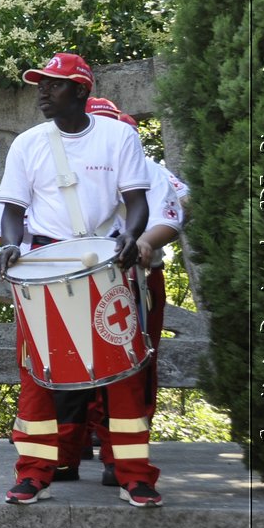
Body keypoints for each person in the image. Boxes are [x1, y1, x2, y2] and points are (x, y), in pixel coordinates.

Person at [0, 53, 155, 506]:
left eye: (54, 84)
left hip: (106, 261)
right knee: (39, 373)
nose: (42, 91)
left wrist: (132, 236)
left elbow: (136, 202)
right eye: (40, 84)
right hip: (45, 265)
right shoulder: (28, 143)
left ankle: (135, 475)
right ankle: (32, 473)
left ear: (82, 90)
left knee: (122, 374)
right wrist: (11, 246)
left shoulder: (119, 136)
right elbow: (12, 211)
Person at [61, 97, 188, 488]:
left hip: (132, 277)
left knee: (131, 367)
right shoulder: (60, 166)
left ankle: (121, 455)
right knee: (71, 364)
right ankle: (68, 451)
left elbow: (174, 209)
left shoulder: (146, 168)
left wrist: (144, 242)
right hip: (73, 279)